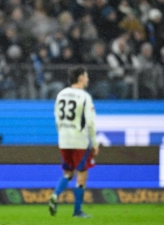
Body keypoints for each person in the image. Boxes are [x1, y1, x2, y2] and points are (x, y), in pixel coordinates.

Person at [49, 66, 99, 218]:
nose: (88, 79)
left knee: (68, 172)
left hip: (64, 139)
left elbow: (56, 117)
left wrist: (62, 134)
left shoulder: (61, 94)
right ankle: (77, 211)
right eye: (86, 76)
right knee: (82, 174)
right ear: (81, 78)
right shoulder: (84, 96)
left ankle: (56, 194)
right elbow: (90, 122)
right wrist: (95, 143)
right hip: (79, 140)